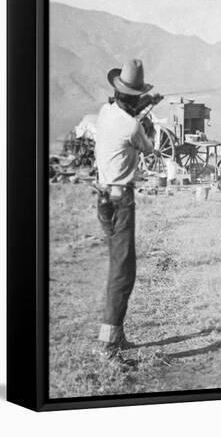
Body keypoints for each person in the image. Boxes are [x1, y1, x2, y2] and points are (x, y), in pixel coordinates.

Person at [94, 59, 156, 361]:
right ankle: (108, 345)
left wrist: (143, 105)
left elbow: (123, 112)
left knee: (118, 268)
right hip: (122, 202)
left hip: (103, 199)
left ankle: (116, 335)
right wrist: (147, 119)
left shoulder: (105, 112)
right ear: (134, 98)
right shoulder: (132, 125)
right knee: (122, 274)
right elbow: (148, 147)